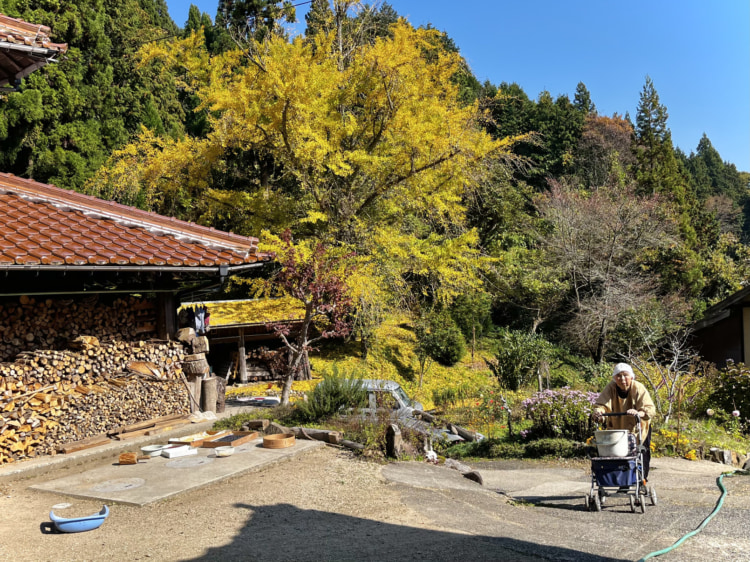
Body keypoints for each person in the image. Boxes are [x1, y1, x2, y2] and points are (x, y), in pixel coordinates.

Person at [593, 362, 656, 482]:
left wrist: (639, 413)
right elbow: (601, 405)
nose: (622, 379)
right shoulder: (610, 387)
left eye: (625, 375)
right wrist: (599, 413)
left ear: (631, 376)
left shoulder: (638, 387)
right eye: (618, 376)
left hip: (638, 427)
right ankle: (623, 481)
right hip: (618, 426)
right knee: (618, 454)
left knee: (641, 451)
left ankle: (642, 479)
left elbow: (649, 408)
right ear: (614, 378)